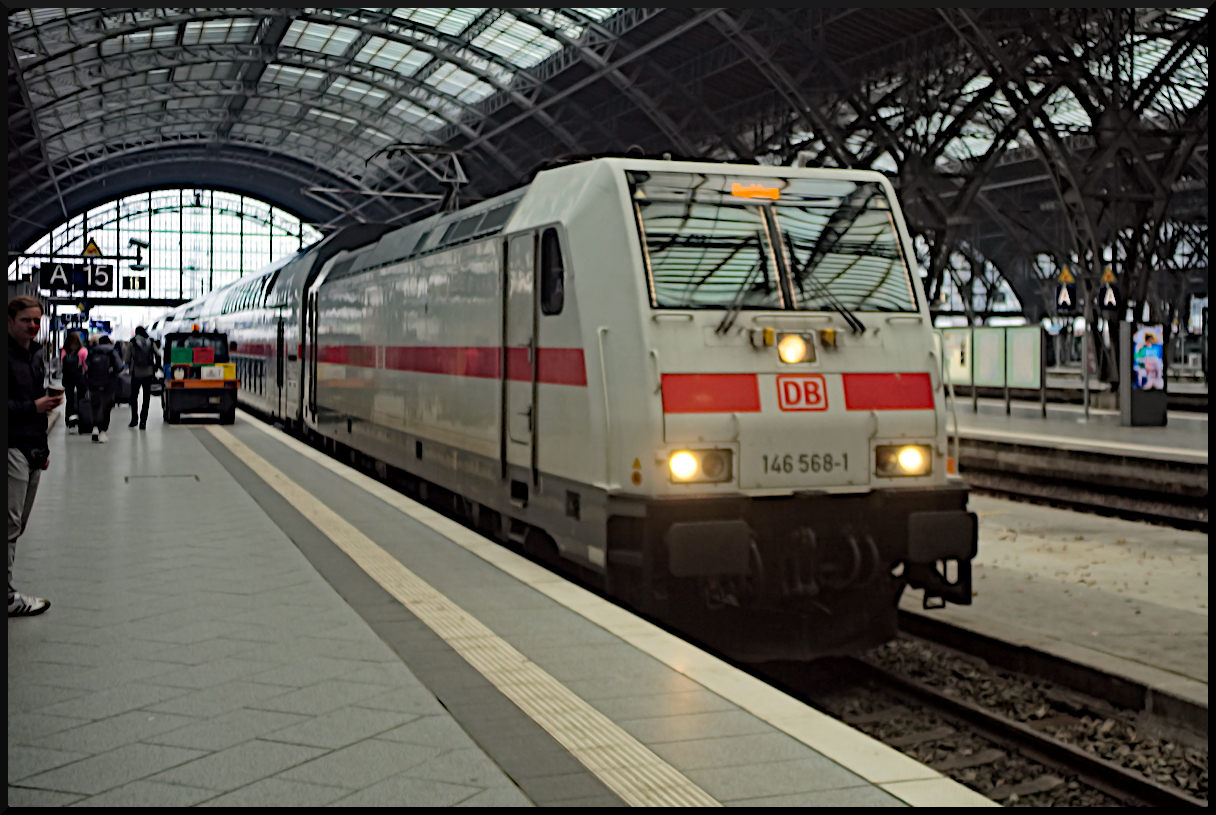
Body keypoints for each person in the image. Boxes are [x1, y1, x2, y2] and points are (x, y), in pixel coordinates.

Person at [8, 295, 60, 616]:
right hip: (11, 446)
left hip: (31, 449)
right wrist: (34, 406)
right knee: (9, 524)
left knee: (18, 524)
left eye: (37, 321)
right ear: (9, 320)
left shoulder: (35, 356)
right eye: (26, 320)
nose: (32, 326)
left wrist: (43, 450)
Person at [84, 334, 126, 443]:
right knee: (106, 407)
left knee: (95, 405)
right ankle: (102, 431)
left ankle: (94, 428)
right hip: (108, 383)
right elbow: (120, 367)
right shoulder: (112, 352)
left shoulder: (92, 351)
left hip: (93, 382)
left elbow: (86, 365)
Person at [124, 326, 160, 429]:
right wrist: (156, 367)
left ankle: (134, 419)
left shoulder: (132, 342)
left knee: (134, 397)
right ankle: (143, 421)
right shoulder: (150, 341)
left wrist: (127, 369)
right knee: (146, 397)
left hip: (136, 373)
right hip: (148, 373)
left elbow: (127, 358)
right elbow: (158, 355)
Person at [60, 332, 87, 427]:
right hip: (80, 378)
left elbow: (62, 364)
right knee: (81, 399)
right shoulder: (83, 351)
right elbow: (86, 366)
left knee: (69, 400)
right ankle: (81, 419)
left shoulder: (64, 351)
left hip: (67, 378)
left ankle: (69, 422)